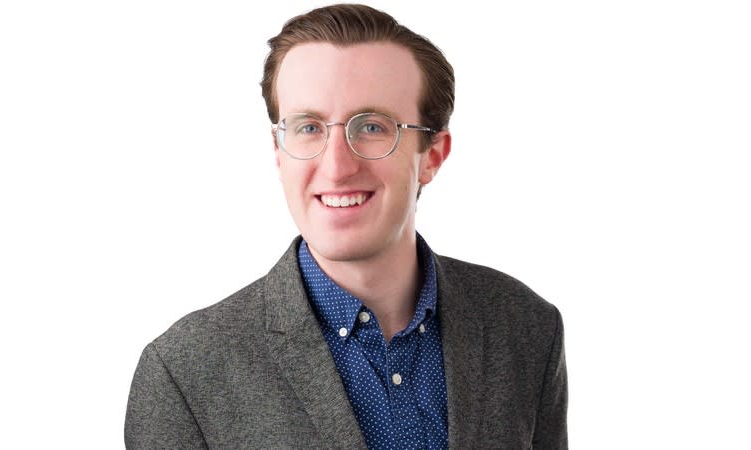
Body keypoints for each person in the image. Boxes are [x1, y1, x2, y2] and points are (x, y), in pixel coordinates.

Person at [125, 4, 567, 449]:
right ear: (278, 153)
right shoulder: (184, 373)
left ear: (432, 154)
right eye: (308, 127)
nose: (336, 167)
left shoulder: (525, 327)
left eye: (372, 127)